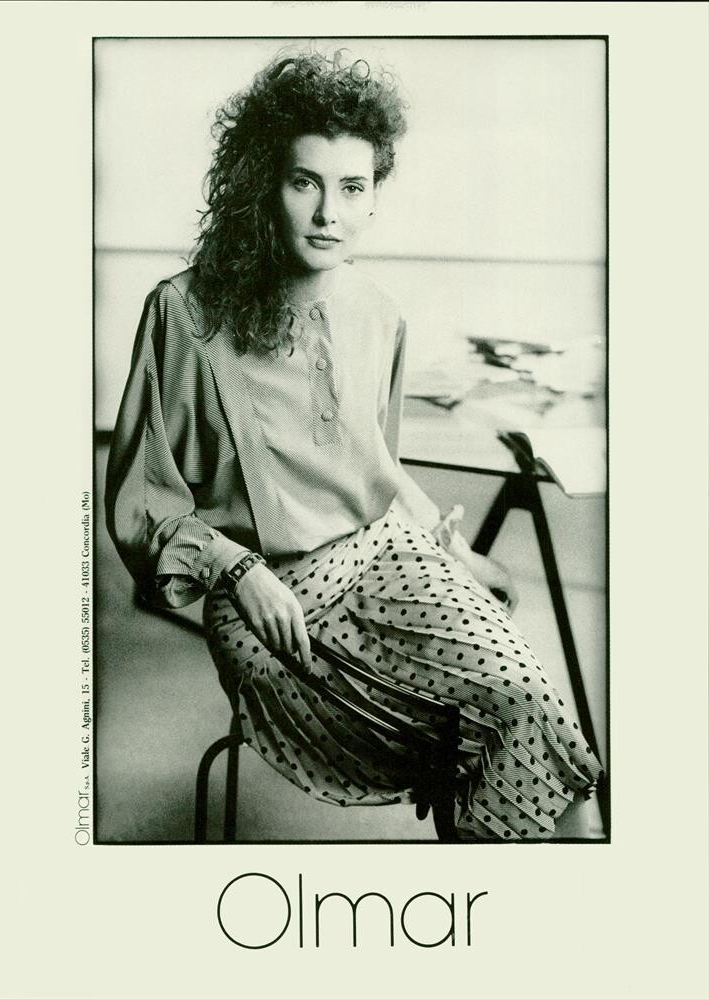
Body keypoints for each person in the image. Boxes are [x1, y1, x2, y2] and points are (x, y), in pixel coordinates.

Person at [105, 49, 603, 840]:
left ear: (374, 198)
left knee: (530, 703)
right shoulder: (184, 314)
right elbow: (145, 502)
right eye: (304, 182)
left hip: (381, 556)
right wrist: (238, 570)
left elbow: (374, 466)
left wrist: (454, 551)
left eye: (353, 187)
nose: (328, 213)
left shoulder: (379, 314)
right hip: (265, 598)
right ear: (263, 184)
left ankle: (557, 908)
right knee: (455, 730)